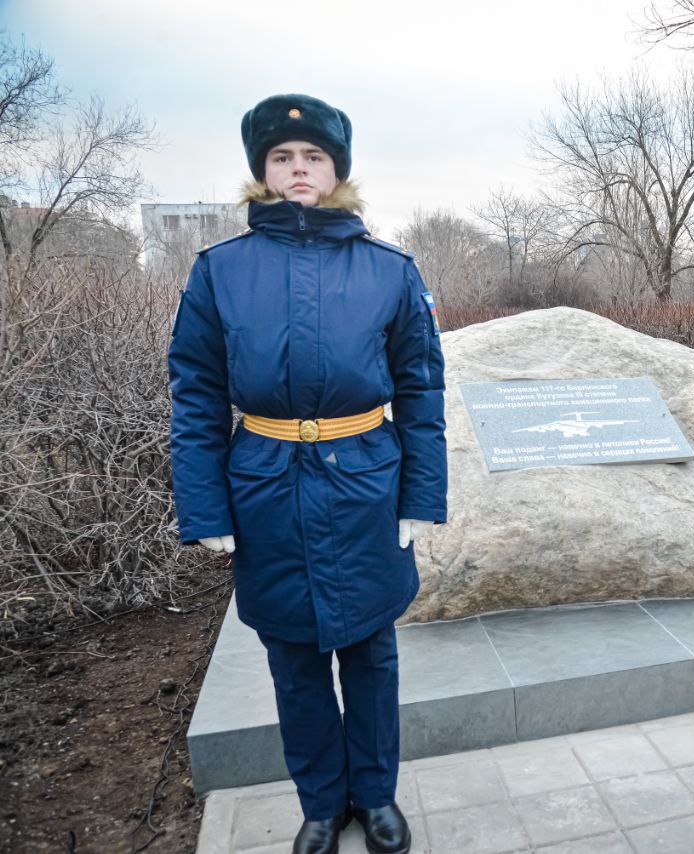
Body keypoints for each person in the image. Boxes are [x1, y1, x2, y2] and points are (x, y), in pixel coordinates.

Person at [167, 93, 446, 854]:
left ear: (337, 170)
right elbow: (194, 395)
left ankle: (377, 796)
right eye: (283, 158)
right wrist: (208, 509)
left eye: (314, 157)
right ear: (262, 170)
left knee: (370, 652)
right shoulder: (220, 271)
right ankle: (321, 804)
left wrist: (421, 496)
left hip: (365, 482)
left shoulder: (389, 271)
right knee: (293, 660)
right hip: (264, 483)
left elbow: (421, 390)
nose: (298, 170)